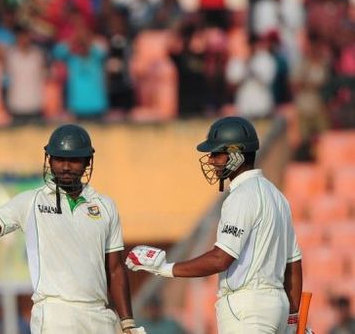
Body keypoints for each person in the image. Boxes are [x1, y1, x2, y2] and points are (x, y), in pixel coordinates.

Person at [0, 124, 145, 334]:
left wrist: (127, 322)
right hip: (55, 314)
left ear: (87, 161)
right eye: (59, 159)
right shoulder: (30, 201)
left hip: (100, 315)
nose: (66, 167)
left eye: (74, 160)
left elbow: (115, 269)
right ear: (49, 160)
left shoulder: (106, 206)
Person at [126, 116, 303, 333]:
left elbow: (221, 259)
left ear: (236, 156)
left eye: (217, 154)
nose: (211, 160)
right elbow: (293, 265)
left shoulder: (242, 196)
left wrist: (165, 268)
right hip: (277, 306)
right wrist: (292, 319)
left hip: (247, 308)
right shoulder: (278, 196)